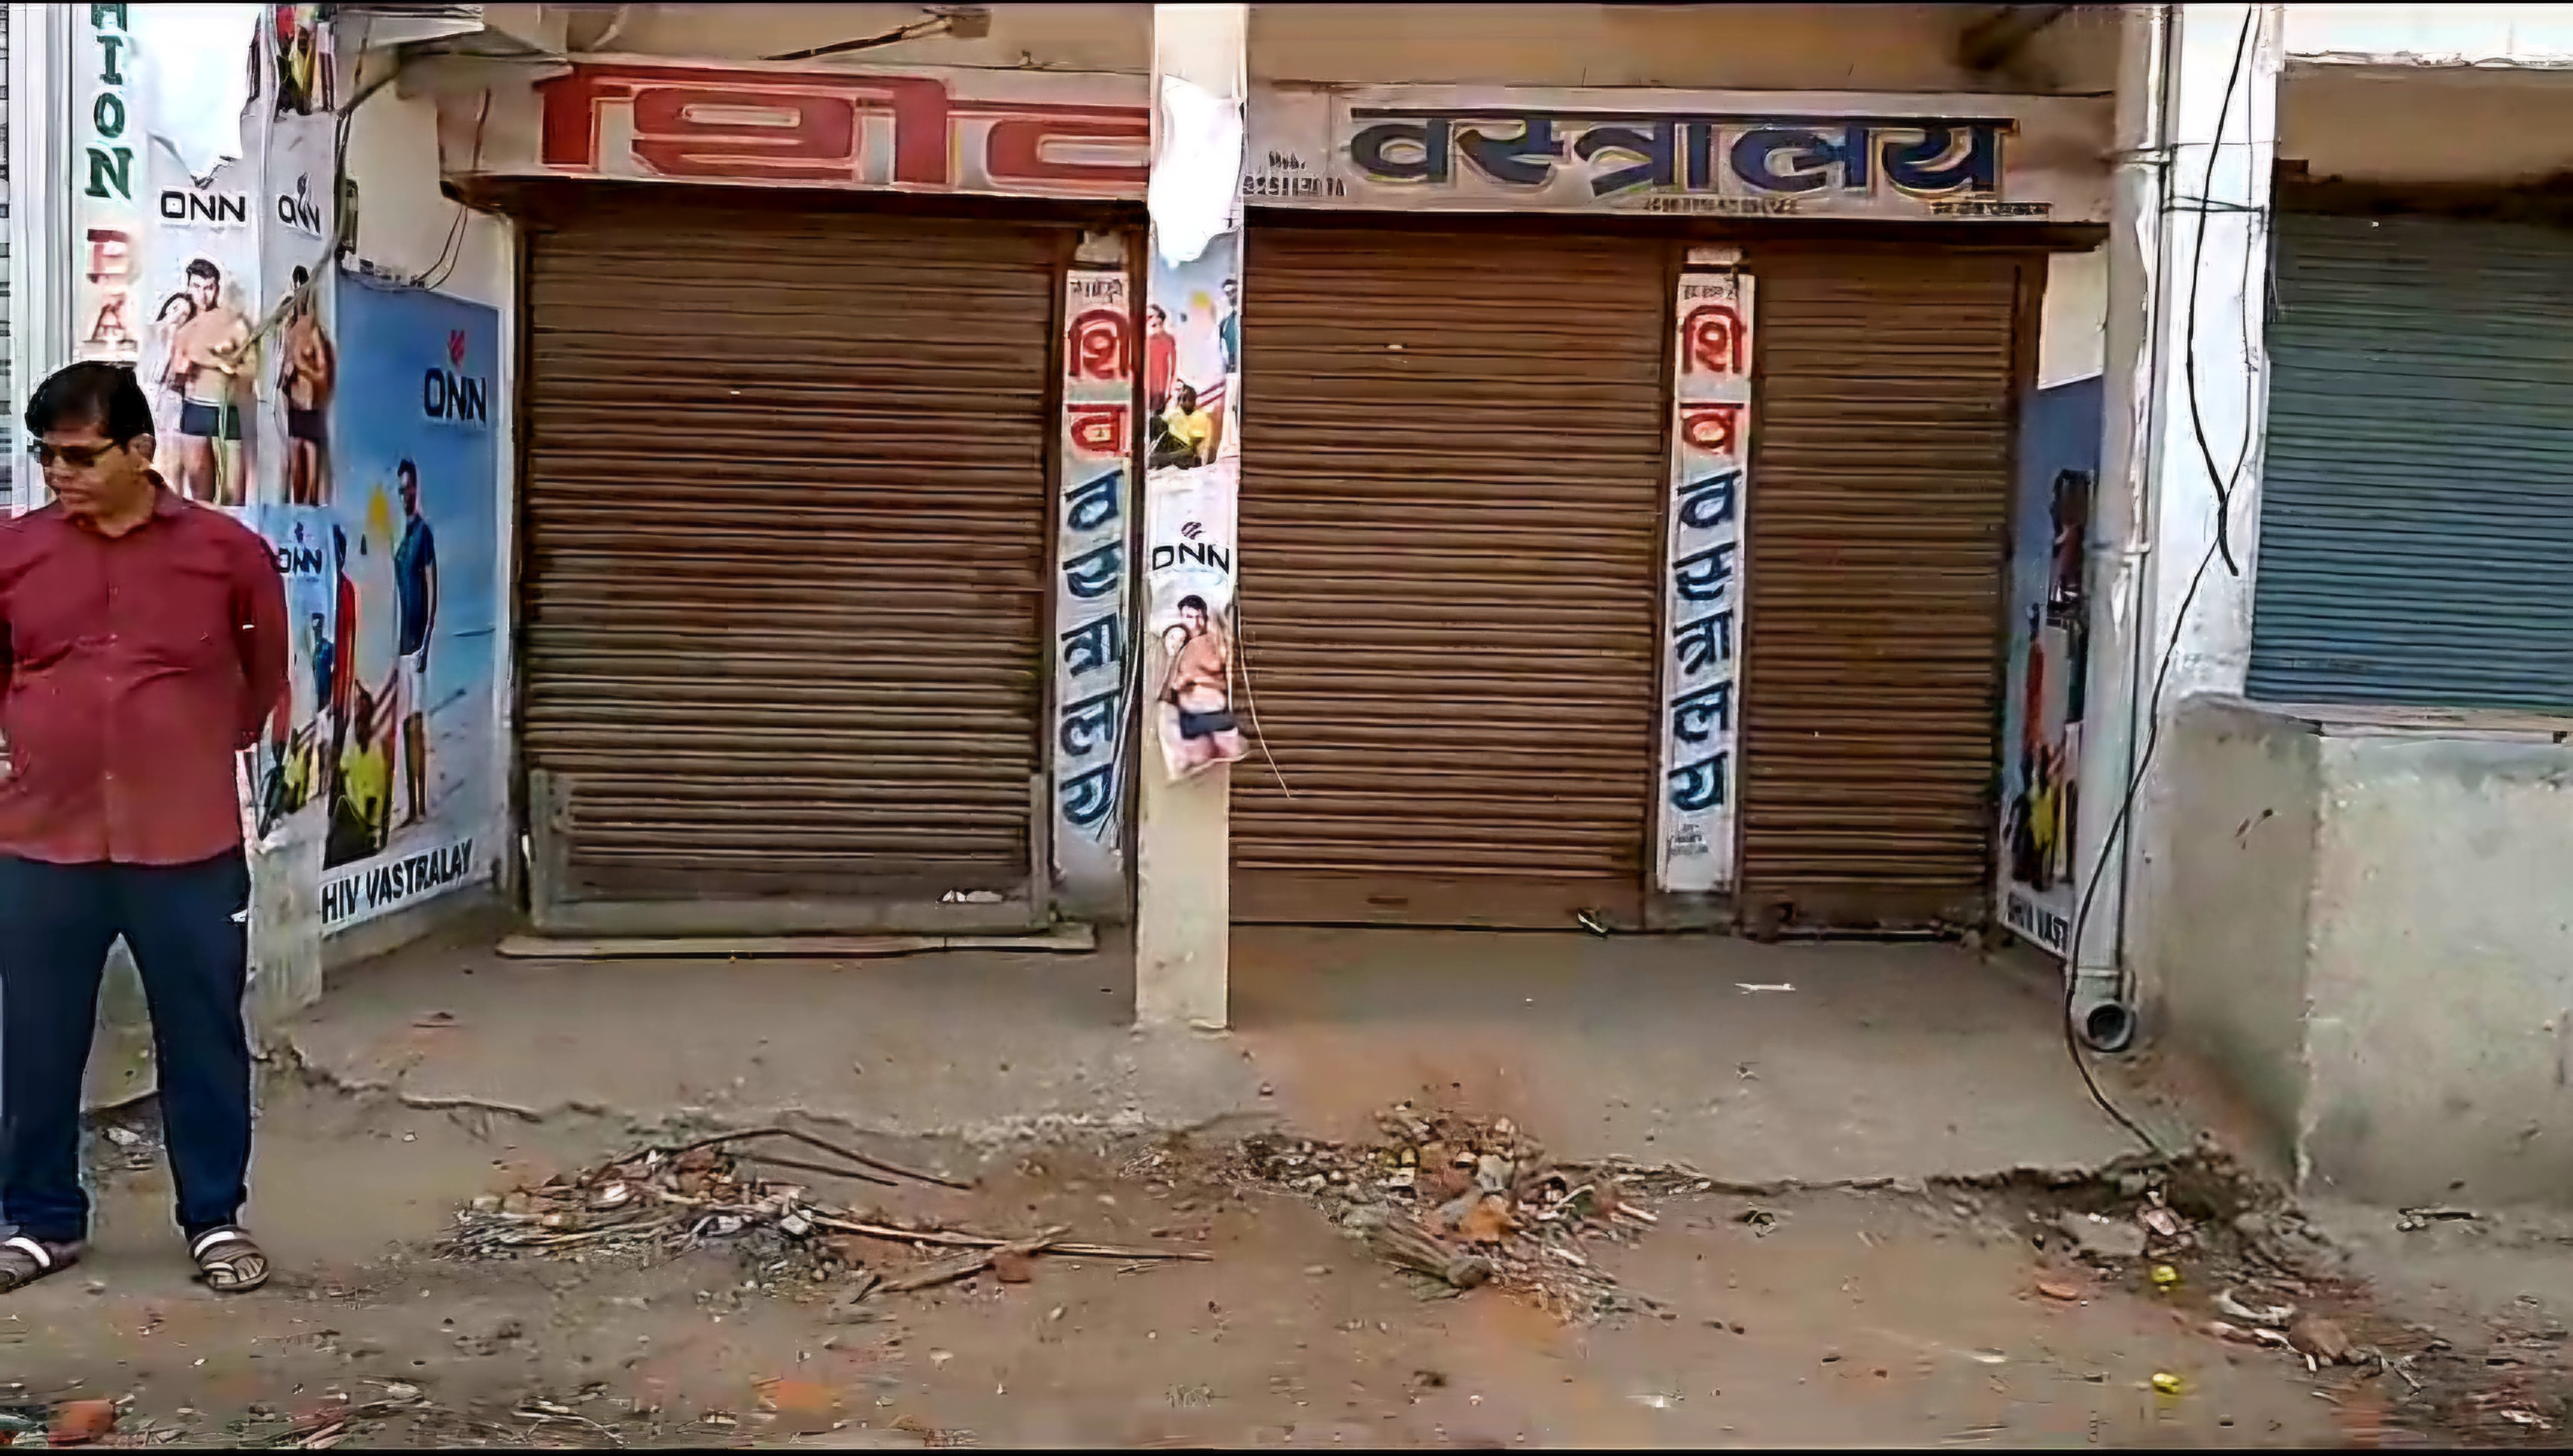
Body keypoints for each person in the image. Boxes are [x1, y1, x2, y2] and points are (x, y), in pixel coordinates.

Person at [0, 362, 287, 1296]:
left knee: (201, 1033)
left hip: (186, 844)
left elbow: (262, 674)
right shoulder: (17, 552)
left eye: (79, 455)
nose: (59, 473)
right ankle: (41, 1220)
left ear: (138, 450)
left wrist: (192, 745)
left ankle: (214, 1218)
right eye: (45, 455)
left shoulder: (226, 553)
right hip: (44, 841)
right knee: (37, 1037)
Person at [168, 260, 251, 507]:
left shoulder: (234, 324)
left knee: (233, 497)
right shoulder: (183, 327)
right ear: (188, 287)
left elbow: (253, 370)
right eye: (197, 287)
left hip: (228, 409)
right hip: (194, 410)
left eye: (209, 288)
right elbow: (174, 373)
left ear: (217, 289)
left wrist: (220, 363)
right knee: (200, 497)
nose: (203, 295)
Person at [391, 460, 438, 827]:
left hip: (415, 645)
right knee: (404, 724)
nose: (404, 493)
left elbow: (432, 587)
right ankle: (410, 805)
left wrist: (426, 642)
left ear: (416, 488)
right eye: (400, 488)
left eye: (409, 487)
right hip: (397, 643)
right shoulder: (400, 537)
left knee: (416, 723)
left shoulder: (423, 534)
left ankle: (421, 804)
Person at [1159, 594, 1244, 775]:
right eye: (1190, 617)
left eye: (1199, 617)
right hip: (1192, 715)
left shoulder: (1208, 644)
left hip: (1212, 711)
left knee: (1223, 762)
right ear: (1181, 618)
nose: (1196, 623)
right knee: (1198, 767)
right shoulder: (1178, 642)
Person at [278, 266, 335, 506]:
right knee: (295, 480)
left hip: (311, 411)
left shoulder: (315, 333)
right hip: (293, 410)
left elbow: (325, 377)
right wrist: (286, 376)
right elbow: (279, 376)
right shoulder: (288, 330)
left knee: (312, 485)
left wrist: (303, 368)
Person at [1153, 383, 1214, 470]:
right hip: (1171, 444)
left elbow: (1195, 446)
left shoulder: (1200, 416)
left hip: (1186, 449)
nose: (1182, 403)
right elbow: (1163, 420)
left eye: (1187, 400)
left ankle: (1163, 458)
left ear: (1194, 401)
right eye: (1180, 400)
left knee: (1182, 455)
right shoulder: (1176, 413)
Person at [1144, 305, 1177, 415]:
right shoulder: (1146, 339)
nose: (1149, 319)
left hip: (1161, 384)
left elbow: (1173, 365)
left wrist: (1170, 387)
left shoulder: (1168, 339)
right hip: (1147, 383)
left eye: (1152, 316)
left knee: (1157, 412)